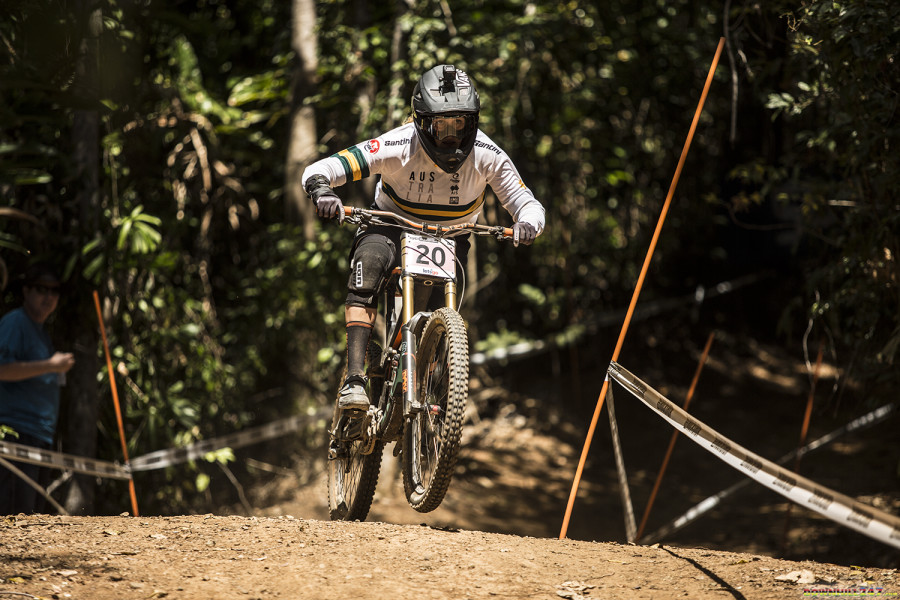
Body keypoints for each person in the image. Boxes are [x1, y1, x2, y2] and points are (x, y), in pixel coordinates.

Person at [302, 64, 545, 411]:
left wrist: (527, 222)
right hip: (390, 225)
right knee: (368, 264)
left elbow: (527, 202)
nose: (451, 137)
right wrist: (323, 191)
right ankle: (354, 379)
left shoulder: (488, 155)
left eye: (459, 124)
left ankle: (423, 387)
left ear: (472, 122)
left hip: (451, 236)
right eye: (441, 125)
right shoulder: (398, 143)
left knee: (436, 315)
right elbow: (322, 168)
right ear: (421, 122)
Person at [0, 263, 75, 514]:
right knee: (13, 516)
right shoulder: (15, 323)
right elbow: (2, 370)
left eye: (54, 291)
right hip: (15, 433)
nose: (49, 297)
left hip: (40, 436)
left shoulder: (41, 333)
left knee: (31, 516)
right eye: (42, 290)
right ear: (26, 291)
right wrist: (51, 366)